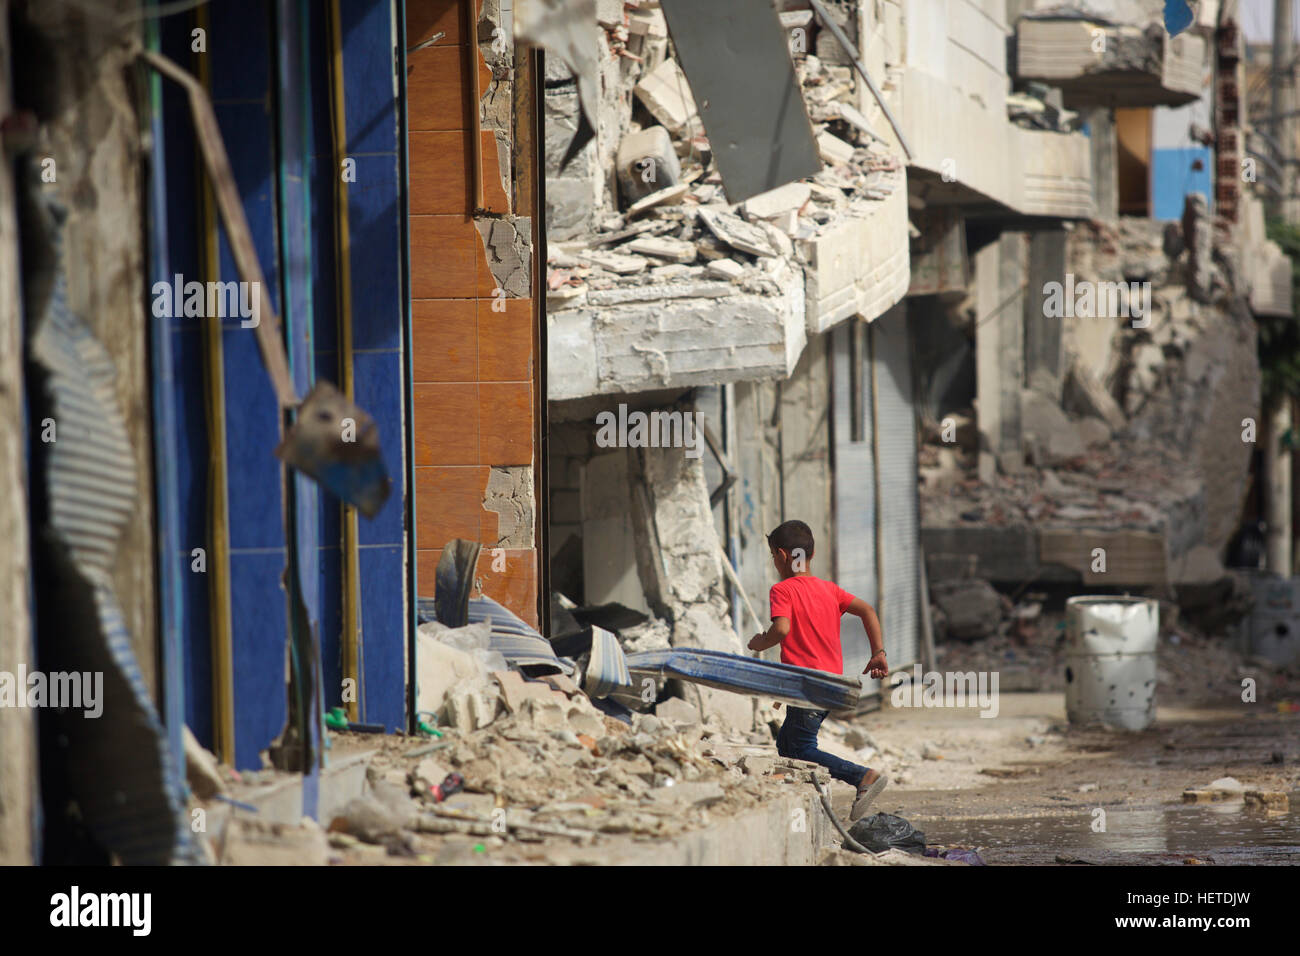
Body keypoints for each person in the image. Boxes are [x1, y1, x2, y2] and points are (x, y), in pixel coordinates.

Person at [748, 519, 889, 821]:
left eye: (773, 555)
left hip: (808, 685)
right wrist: (878, 652)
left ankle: (863, 776)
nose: (774, 562)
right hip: (829, 683)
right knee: (787, 744)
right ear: (809, 555)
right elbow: (867, 610)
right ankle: (803, 799)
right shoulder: (829, 590)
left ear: (784, 556)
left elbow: (782, 628)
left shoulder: (782, 590)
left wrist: (761, 642)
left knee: (800, 746)